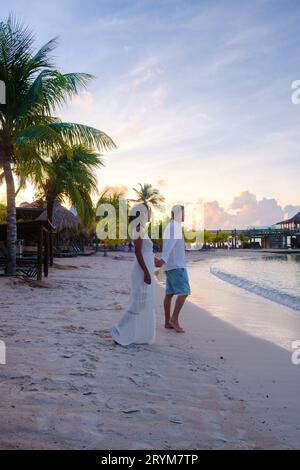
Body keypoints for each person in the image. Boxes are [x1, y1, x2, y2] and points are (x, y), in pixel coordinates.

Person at [111, 204, 155, 346]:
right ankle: (118, 329)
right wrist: (146, 272)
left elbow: (146, 251)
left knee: (141, 304)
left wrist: (155, 261)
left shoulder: (141, 229)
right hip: (141, 271)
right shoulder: (138, 229)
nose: (149, 214)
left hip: (146, 269)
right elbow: (138, 252)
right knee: (137, 303)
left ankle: (131, 332)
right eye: (147, 212)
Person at [155, 205, 190, 333]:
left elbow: (169, 244)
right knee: (184, 292)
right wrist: (163, 259)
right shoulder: (174, 226)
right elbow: (169, 245)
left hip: (171, 266)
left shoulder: (170, 226)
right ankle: (174, 319)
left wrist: (164, 261)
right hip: (176, 265)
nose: (184, 215)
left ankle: (167, 322)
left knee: (169, 294)